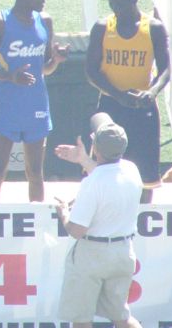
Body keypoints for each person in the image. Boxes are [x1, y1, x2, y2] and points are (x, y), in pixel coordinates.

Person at [0, 0, 68, 203]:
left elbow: (44, 69)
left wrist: (55, 60)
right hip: (7, 107)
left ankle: (36, 223)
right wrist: (9, 77)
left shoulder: (45, 21)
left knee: (35, 173)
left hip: (36, 106)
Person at [53, 112, 143, 328]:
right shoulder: (132, 170)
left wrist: (63, 213)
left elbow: (76, 230)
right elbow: (108, 174)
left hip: (92, 254)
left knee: (82, 319)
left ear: (96, 148)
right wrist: (84, 160)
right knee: (121, 316)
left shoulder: (92, 182)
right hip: (123, 251)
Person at [85, 0, 170, 203]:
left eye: (120, 4)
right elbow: (91, 70)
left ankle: (142, 216)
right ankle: (107, 209)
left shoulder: (153, 28)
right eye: (112, 5)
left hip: (142, 105)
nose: (116, 9)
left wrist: (152, 92)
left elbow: (167, 69)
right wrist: (117, 95)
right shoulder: (103, 27)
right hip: (112, 105)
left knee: (145, 171)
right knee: (104, 167)